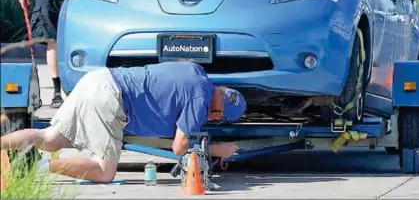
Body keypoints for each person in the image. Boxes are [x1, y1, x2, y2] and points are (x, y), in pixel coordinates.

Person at [0, 61, 247, 183]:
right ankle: (36, 167)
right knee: (105, 171)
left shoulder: (197, 71)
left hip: (98, 78)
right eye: (217, 117)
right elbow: (179, 147)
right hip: (110, 98)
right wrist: (217, 149)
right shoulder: (200, 99)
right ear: (218, 113)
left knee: (50, 139)